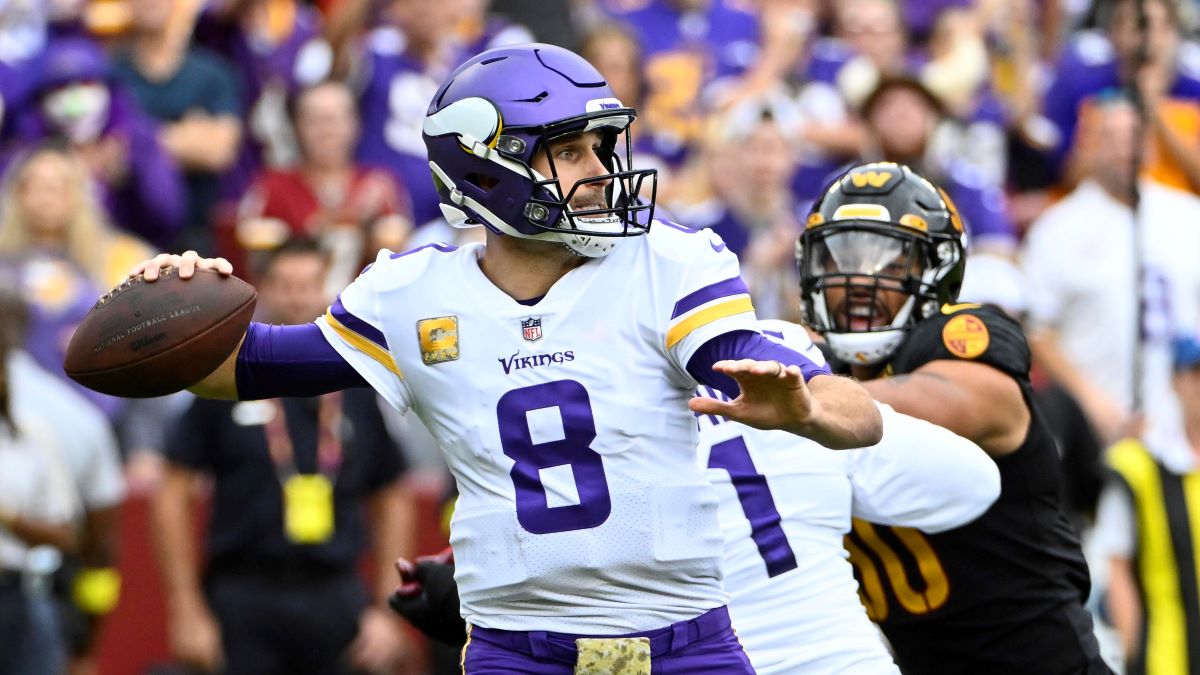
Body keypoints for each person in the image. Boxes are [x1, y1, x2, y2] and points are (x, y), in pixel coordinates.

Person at [125, 43, 883, 674]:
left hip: (686, 643)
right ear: (486, 169)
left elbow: (850, 412)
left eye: (599, 147)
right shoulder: (412, 295)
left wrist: (813, 408)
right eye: (569, 151)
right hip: (518, 651)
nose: (598, 171)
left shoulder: (670, 263)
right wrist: (165, 311)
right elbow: (246, 366)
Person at [388, 318, 1002, 675]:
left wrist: (465, 597)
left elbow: (591, 624)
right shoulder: (780, 356)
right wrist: (839, 414)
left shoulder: (585, 393)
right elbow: (971, 482)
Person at [795, 161, 1111, 674]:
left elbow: (950, 400)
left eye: (887, 260)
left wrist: (801, 405)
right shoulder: (814, 373)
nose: (856, 280)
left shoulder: (959, 337)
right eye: (838, 256)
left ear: (935, 269)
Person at [151, 239, 416, 675]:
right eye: (285, 284)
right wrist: (186, 607)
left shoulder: (357, 380)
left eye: (310, 283)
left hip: (334, 589)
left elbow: (392, 494)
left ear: (328, 289)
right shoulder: (227, 377)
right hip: (244, 591)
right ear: (263, 289)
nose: (298, 295)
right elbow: (172, 487)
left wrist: (389, 609)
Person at [1096, 332, 1200, 674]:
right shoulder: (1138, 466)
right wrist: (1132, 655)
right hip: (1166, 660)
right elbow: (1118, 568)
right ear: (1176, 380)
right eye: (1197, 371)